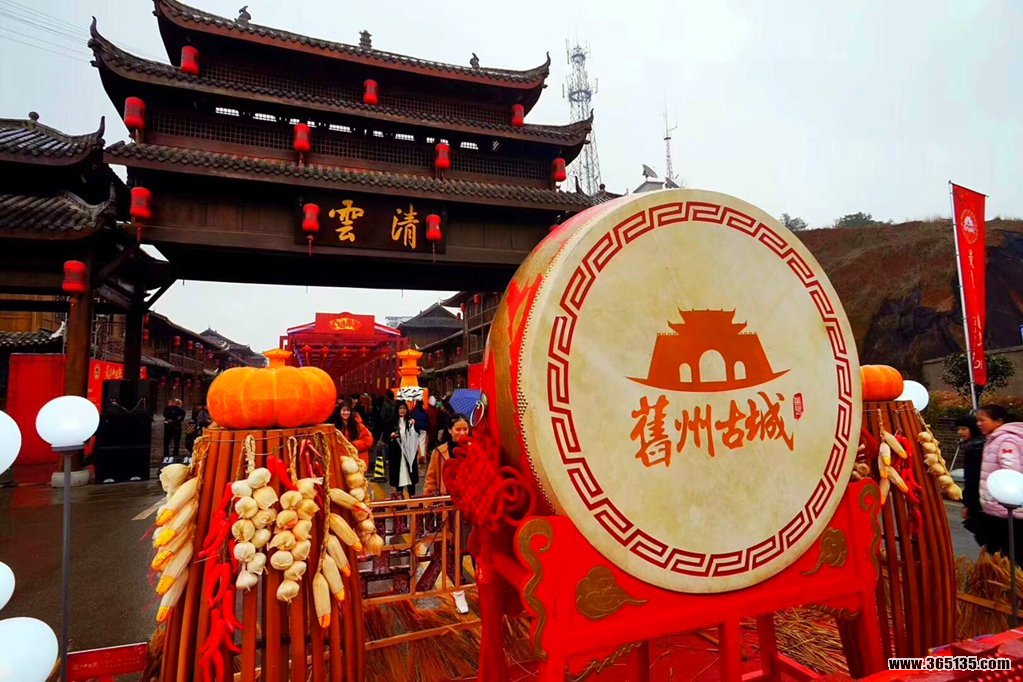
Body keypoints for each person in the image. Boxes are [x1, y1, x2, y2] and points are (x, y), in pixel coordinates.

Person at [978, 404, 1023, 560]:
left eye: (982, 420)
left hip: (1007, 511)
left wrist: (1003, 497)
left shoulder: (1006, 440)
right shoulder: (995, 439)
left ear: (998, 421)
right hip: (999, 509)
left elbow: (1010, 472)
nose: (978, 424)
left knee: (1007, 556)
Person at [955, 415, 987, 547]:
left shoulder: (975, 449)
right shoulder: (974, 446)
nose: (960, 432)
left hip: (981, 500)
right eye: (958, 429)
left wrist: (968, 504)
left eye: (964, 428)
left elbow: (973, 479)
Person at [424, 415, 470, 497]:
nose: (462, 433)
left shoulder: (475, 450)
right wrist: (428, 501)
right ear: (449, 430)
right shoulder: (439, 452)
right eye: (458, 429)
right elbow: (431, 480)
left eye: (465, 429)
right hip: (446, 498)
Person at [387, 402, 419, 497]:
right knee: (399, 476)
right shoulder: (392, 422)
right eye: (400, 408)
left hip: (409, 453)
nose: (402, 410)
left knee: (410, 476)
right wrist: (391, 436)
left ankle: (412, 497)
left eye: (404, 408)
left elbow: (417, 434)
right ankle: (399, 497)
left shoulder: (411, 421)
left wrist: (413, 426)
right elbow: (385, 436)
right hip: (397, 453)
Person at [337, 399, 374, 467]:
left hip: (357, 461)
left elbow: (368, 440)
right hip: (341, 462)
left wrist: (353, 445)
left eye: (348, 410)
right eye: (343, 410)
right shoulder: (335, 427)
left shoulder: (358, 426)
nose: (346, 413)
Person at [162, 399, 186, 465]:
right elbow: (181, 419)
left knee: (167, 442)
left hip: (169, 427)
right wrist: (175, 420)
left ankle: (166, 454)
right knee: (176, 442)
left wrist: (170, 420)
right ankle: (175, 455)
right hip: (176, 428)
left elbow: (165, 415)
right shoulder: (181, 411)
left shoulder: (168, 408)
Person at [411, 400, 431, 464]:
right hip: (423, 429)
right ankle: (423, 457)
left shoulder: (413, 411)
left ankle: (417, 458)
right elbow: (428, 421)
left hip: (415, 429)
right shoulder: (424, 412)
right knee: (422, 443)